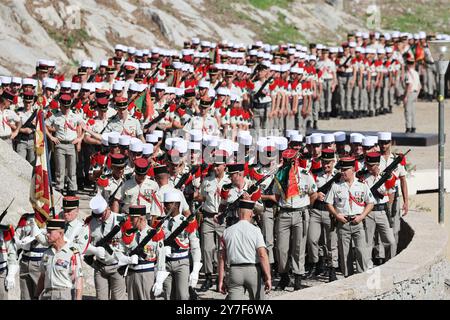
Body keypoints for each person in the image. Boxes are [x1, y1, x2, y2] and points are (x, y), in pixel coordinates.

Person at [272, 148, 318, 291]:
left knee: (299, 246)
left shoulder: (305, 174)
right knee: (281, 248)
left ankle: (298, 277)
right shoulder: (279, 175)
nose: (286, 164)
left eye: (288, 161)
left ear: (295, 161)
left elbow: (313, 193)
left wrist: (304, 207)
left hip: (300, 213)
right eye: (284, 161)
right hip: (284, 213)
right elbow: (277, 196)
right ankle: (284, 276)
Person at [325, 157, 375, 277]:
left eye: (346, 169)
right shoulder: (336, 186)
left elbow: (371, 203)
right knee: (345, 254)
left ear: (353, 169)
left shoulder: (362, 184)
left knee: (362, 252)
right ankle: (348, 278)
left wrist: (362, 216)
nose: (343, 172)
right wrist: (337, 215)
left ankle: (362, 276)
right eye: (342, 169)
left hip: (358, 222)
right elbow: (328, 203)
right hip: (343, 223)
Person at [218, 200, 271, 300]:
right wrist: (268, 277)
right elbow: (262, 255)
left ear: (238, 213)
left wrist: (221, 280)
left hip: (234, 272)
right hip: (253, 271)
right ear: (251, 214)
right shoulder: (255, 230)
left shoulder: (227, 232)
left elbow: (222, 258)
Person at [196, 150, 230, 291]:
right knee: (207, 248)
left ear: (225, 165)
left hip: (223, 217)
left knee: (223, 249)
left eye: (218, 165)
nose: (215, 168)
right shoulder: (207, 181)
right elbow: (202, 197)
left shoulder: (229, 180)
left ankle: (223, 278)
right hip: (209, 217)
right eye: (214, 165)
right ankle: (209, 276)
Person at [84, 194, 127, 300]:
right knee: (101, 298)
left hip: (117, 266)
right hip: (100, 266)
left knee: (118, 298)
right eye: (96, 215)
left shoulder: (121, 220)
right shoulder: (90, 221)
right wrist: (93, 251)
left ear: (108, 208)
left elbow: (129, 242)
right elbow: (83, 243)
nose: (99, 218)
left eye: (101, 215)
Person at [119, 205, 166, 300]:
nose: (130, 221)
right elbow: (119, 252)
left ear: (140, 218)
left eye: (133, 218)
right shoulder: (129, 234)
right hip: (131, 274)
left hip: (147, 274)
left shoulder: (154, 234)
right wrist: (128, 259)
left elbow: (161, 257)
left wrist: (159, 280)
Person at [161, 192, 202, 300]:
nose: (165, 206)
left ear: (176, 205)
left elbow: (195, 246)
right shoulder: (162, 223)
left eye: (167, 204)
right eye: (165, 203)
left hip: (182, 262)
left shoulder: (187, 222)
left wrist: (196, 269)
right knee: (168, 295)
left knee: (183, 296)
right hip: (166, 262)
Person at [306, 148, 339, 282]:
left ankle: (332, 268)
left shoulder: (338, 176)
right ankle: (316, 263)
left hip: (330, 212)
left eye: (329, 162)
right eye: (324, 162)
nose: (326, 165)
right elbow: (309, 193)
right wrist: (316, 195)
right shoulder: (315, 175)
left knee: (331, 242)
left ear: (333, 162)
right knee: (312, 239)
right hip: (316, 210)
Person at [359, 152, 397, 266]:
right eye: (368, 165)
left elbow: (390, 192)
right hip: (368, 211)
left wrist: (386, 181)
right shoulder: (362, 177)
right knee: (367, 243)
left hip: (382, 210)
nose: (370, 167)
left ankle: (389, 264)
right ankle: (367, 267)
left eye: (372, 165)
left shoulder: (386, 176)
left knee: (390, 241)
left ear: (377, 165)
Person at [45, 94, 84, 195]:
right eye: (64, 106)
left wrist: (79, 139)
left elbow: (84, 127)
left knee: (72, 169)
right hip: (60, 144)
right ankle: (59, 188)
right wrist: (51, 137)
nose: (66, 109)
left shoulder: (75, 116)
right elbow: (44, 125)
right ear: (60, 105)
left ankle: (72, 189)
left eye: (68, 107)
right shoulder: (56, 116)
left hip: (71, 144)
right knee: (60, 169)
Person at [36, 219, 83, 300]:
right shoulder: (47, 253)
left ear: (60, 233)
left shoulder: (72, 253)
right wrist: (36, 296)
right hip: (46, 295)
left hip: (63, 294)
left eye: (50, 232)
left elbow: (78, 279)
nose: (47, 234)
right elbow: (42, 277)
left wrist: (78, 298)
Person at [0, 223, 18, 300]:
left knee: (2, 296)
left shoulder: (5, 232)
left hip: (1, 273)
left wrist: (11, 274)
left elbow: (12, 255)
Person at [404, 58, 421, 133]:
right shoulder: (416, 73)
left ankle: (408, 127)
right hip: (415, 92)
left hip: (410, 93)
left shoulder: (408, 73)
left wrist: (406, 96)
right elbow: (419, 86)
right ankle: (413, 127)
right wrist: (417, 95)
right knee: (413, 111)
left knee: (408, 111)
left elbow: (409, 85)